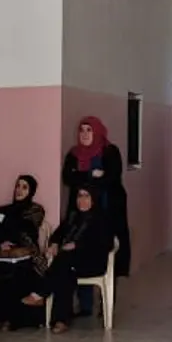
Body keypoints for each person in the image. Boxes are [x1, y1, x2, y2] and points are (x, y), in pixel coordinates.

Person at [24, 185, 113, 332]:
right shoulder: (73, 216)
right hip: (71, 262)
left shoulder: (102, 219)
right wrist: (54, 244)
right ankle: (61, 320)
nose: (82, 200)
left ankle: (40, 294)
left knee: (63, 262)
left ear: (93, 199)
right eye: (79, 196)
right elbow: (58, 233)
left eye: (86, 196)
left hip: (93, 262)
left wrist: (77, 245)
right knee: (64, 271)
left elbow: (105, 244)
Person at [63, 117, 131, 277]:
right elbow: (67, 177)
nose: (85, 134)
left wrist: (79, 176)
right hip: (81, 213)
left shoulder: (109, 151)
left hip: (108, 210)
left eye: (89, 130)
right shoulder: (74, 154)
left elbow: (111, 177)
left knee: (108, 250)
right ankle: (83, 296)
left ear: (97, 132)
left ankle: (108, 295)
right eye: (82, 130)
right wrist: (90, 174)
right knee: (79, 246)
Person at [0, 175, 49, 329]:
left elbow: (23, 228)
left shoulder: (35, 210)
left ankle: (14, 320)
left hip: (28, 256)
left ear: (31, 191)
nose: (19, 190)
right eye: (18, 186)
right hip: (5, 256)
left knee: (18, 273)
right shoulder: (6, 210)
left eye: (24, 187)